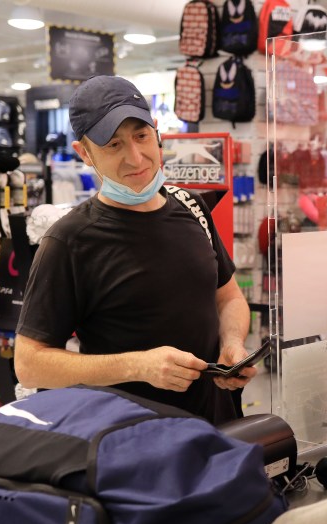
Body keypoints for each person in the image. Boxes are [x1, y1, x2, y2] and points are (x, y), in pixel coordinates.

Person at [15, 75, 253, 424]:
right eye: (113, 145)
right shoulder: (70, 240)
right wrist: (137, 366)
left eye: (141, 136)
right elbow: (29, 364)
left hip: (217, 428)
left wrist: (232, 344)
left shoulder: (192, 206)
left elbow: (228, 297)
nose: (136, 157)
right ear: (84, 153)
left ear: (157, 133)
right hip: (130, 444)